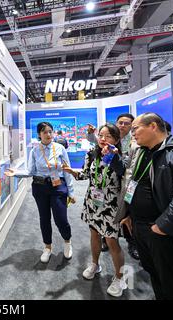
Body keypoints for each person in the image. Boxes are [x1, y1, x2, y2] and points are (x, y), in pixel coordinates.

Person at [121, 112, 173, 300]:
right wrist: (129, 214)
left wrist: (161, 227)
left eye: (135, 128)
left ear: (153, 126)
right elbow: (135, 185)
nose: (132, 133)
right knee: (155, 275)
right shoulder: (143, 153)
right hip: (140, 227)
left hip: (162, 231)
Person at [63, 123, 128, 297]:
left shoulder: (121, 155)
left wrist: (114, 158)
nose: (103, 139)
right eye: (101, 135)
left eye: (108, 136)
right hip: (93, 201)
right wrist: (72, 172)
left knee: (112, 241)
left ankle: (120, 277)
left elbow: (123, 173)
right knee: (94, 234)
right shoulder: (92, 153)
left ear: (116, 139)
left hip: (111, 203)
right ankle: (95, 264)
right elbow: (85, 174)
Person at [6, 122, 76, 263]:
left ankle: (67, 241)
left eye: (50, 131)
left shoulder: (60, 148)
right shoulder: (34, 150)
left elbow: (67, 171)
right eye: (45, 132)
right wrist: (16, 173)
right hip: (40, 187)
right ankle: (47, 247)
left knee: (60, 218)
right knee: (44, 218)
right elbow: (30, 171)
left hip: (58, 187)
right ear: (39, 134)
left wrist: (71, 191)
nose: (49, 135)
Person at [87, 114, 140, 260]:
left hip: (116, 200)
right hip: (96, 200)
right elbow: (89, 174)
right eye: (120, 122)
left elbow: (126, 173)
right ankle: (96, 261)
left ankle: (131, 244)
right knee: (97, 232)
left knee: (119, 231)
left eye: (126, 123)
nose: (122, 125)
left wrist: (114, 157)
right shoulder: (95, 152)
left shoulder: (134, 144)